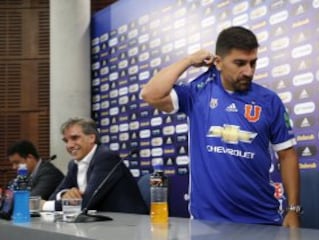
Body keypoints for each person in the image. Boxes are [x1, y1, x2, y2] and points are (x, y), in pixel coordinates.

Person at [141, 26, 301, 227]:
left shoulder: (269, 100)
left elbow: (287, 155)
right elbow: (150, 93)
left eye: (253, 63)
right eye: (240, 63)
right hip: (206, 222)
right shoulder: (197, 92)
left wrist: (293, 209)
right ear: (218, 62)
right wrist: (189, 60)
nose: (248, 71)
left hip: (262, 219)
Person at [42, 117, 148, 214]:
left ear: (91, 138)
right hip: (100, 223)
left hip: (129, 224)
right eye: (66, 141)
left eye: (75, 138)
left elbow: (86, 204)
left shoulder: (105, 158)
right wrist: (64, 194)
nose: (69, 145)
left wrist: (45, 205)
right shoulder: (73, 165)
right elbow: (53, 196)